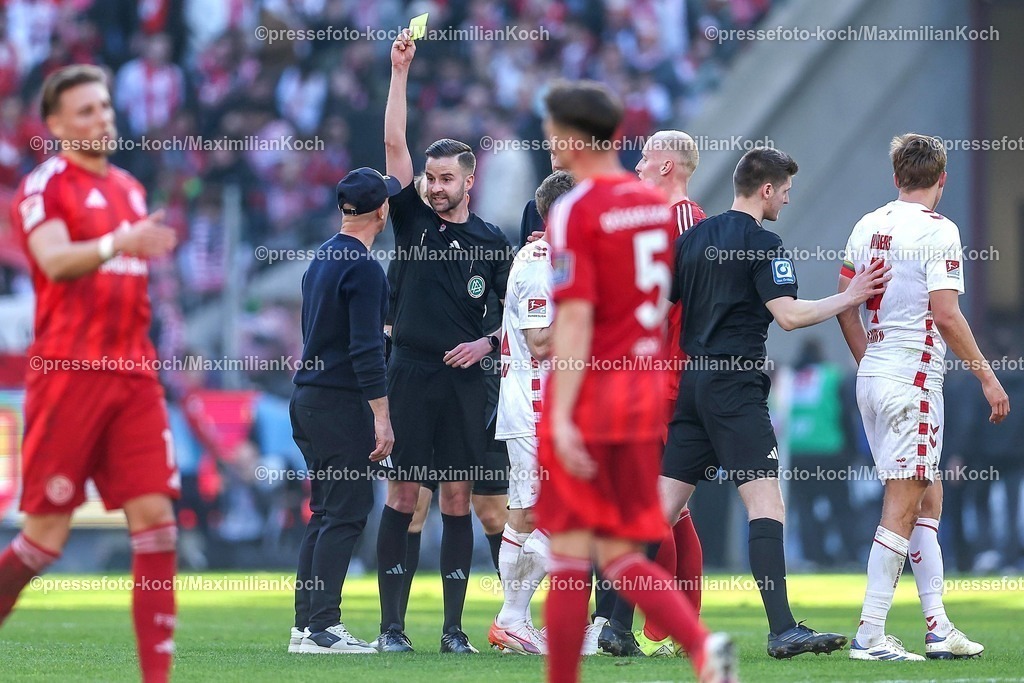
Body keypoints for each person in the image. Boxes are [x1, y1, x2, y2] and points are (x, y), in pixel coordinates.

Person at [537, 79, 736, 683]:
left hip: (595, 393)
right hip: (648, 395)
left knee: (571, 555)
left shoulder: (577, 208)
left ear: (571, 135)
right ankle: (704, 649)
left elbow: (574, 319)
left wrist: (563, 412)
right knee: (622, 550)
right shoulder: (652, 206)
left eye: (551, 130)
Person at [659, 146, 890, 659]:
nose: (787, 199)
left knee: (659, 511)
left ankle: (610, 623)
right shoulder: (765, 243)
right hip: (735, 386)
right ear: (766, 189)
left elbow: (660, 309)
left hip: (693, 382)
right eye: (785, 190)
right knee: (766, 505)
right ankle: (783, 628)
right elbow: (787, 315)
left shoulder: (692, 238)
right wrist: (850, 299)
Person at [1, 64, 179, 683]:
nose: (101, 118)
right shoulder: (44, 186)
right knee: (42, 543)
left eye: (104, 106)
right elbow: (51, 258)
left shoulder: (130, 187)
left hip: (133, 377)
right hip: (68, 378)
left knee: (157, 523)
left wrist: (129, 243)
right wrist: (116, 244)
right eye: (85, 111)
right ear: (54, 126)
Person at [837, 133, 1008, 661]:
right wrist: (986, 376)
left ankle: (937, 626)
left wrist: (869, 361)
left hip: (875, 374)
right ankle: (870, 633)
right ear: (942, 179)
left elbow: (846, 303)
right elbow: (946, 312)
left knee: (927, 497)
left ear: (895, 177)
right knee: (905, 500)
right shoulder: (940, 230)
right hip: (912, 380)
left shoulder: (867, 224)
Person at [374, 29, 513, 654]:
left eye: (445, 178)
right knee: (406, 493)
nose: (434, 186)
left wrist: (487, 345)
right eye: (430, 177)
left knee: (458, 494)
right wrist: (400, 74)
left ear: (469, 179)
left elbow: (514, 317)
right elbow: (394, 143)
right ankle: (391, 629)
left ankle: (454, 629)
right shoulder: (409, 219)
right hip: (409, 372)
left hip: (465, 381)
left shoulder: (492, 241)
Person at [599, 129, 709, 658]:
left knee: (656, 507)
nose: (638, 165)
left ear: (669, 166)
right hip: (652, 378)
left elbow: (664, 302)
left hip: (668, 381)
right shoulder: (657, 221)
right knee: (671, 509)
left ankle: (653, 624)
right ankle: (674, 626)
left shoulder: (685, 220)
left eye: (646, 158)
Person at [288, 167, 398, 654]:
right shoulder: (364, 268)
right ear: (382, 210)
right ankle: (322, 629)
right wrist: (381, 414)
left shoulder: (323, 258)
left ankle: (305, 625)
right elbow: (365, 349)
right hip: (338, 402)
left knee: (325, 512)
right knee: (347, 513)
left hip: (308, 398)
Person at [488, 170, 576, 656]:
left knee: (527, 511)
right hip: (538, 399)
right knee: (546, 511)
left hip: (538, 400)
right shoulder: (544, 262)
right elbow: (542, 341)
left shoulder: (548, 255)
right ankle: (514, 617)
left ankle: (513, 621)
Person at [786, 338, 861, 567]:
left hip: (798, 451)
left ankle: (814, 555)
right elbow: (845, 414)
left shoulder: (791, 378)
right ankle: (850, 554)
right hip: (829, 451)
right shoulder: (831, 376)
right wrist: (852, 449)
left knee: (805, 508)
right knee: (840, 505)